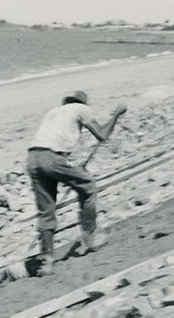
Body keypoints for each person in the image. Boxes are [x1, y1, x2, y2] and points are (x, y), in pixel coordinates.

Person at [26, 90, 128, 275]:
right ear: (82, 103)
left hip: (33, 159)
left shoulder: (55, 112)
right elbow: (102, 135)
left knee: (46, 210)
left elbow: (53, 144)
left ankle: (46, 260)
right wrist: (116, 114)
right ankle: (91, 237)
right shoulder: (82, 109)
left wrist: (69, 166)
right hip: (51, 158)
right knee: (88, 187)